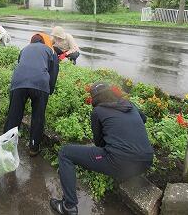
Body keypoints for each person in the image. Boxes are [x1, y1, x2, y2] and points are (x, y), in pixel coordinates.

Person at [50, 83, 154, 215]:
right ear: (112, 93)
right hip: (146, 162)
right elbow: (143, 119)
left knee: (65, 153)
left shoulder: (98, 111)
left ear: (95, 98)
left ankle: (68, 206)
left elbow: (99, 143)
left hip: (120, 163)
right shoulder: (129, 104)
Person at [3, 33, 59, 156]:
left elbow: (22, 65)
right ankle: (33, 148)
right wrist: (50, 90)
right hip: (40, 84)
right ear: (44, 42)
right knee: (38, 116)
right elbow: (53, 73)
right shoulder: (50, 51)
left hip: (18, 83)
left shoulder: (24, 49)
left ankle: (6, 145)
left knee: (14, 115)